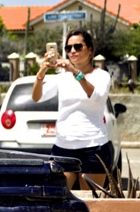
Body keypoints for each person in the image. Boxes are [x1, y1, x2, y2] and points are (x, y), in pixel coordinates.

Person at [33, 28, 114, 190]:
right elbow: (36, 97)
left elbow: (95, 95)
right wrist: (42, 72)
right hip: (63, 146)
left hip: (94, 146)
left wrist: (74, 71)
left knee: (92, 201)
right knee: (60, 198)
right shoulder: (61, 78)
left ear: (90, 50)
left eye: (78, 47)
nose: (72, 51)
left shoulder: (101, 76)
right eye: (68, 48)